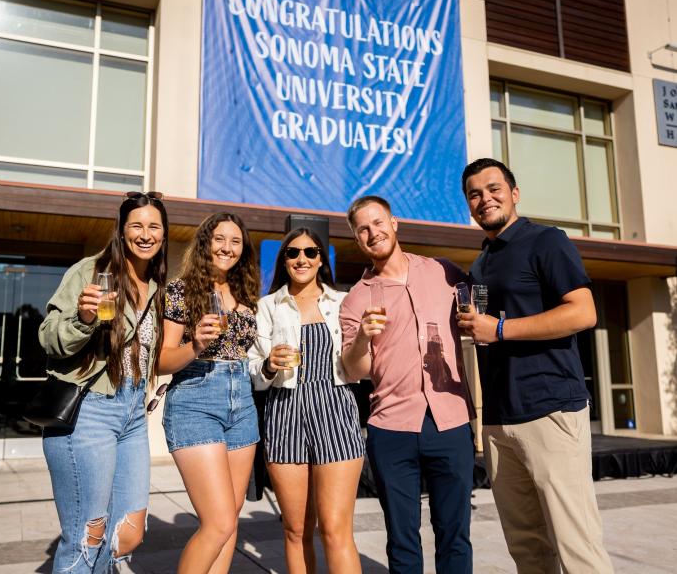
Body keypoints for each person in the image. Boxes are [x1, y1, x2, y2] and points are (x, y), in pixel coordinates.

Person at [458, 157, 614, 573]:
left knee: (575, 546)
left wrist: (502, 329)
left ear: (515, 193)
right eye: (474, 193)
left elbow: (583, 313)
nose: (484, 198)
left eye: (493, 189)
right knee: (527, 549)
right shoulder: (482, 261)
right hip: (498, 420)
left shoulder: (547, 240)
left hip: (550, 410)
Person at [340, 196, 475, 574]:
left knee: (455, 534)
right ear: (357, 238)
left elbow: (481, 299)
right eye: (363, 229)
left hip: (450, 421)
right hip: (391, 429)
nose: (373, 232)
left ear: (394, 223)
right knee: (402, 539)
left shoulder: (442, 272)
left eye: (378, 222)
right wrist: (363, 339)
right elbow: (355, 370)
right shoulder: (355, 300)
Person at [39, 191, 168, 573]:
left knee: (127, 533)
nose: (146, 234)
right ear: (122, 230)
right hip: (90, 411)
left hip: (132, 417)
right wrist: (82, 318)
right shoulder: (89, 271)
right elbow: (48, 337)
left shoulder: (157, 287)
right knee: (86, 538)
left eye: (154, 226)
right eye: (137, 226)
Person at [248, 228, 365, 574]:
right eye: (293, 253)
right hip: (285, 410)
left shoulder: (343, 302)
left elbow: (356, 365)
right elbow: (254, 372)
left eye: (311, 252)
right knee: (296, 528)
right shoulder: (266, 306)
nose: (302, 259)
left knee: (334, 528)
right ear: (283, 260)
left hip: (336, 407)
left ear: (321, 260)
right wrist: (269, 364)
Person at [158, 212, 260, 574]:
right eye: (219, 239)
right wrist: (196, 346)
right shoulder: (181, 290)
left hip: (242, 403)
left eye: (235, 241)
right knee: (217, 523)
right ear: (205, 243)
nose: (227, 248)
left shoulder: (247, 292)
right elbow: (162, 360)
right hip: (196, 399)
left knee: (230, 520)